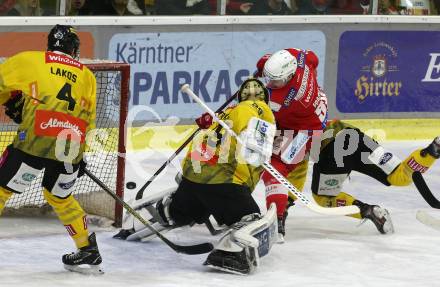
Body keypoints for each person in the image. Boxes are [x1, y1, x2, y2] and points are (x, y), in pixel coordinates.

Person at [118, 78, 278, 275]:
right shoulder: (258, 108)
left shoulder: (223, 114)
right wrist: (249, 136)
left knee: (184, 211)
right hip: (222, 181)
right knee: (249, 217)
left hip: (192, 177)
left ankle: (162, 214)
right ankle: (230, 253)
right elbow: (249, 117)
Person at [0, 25, 102, 274]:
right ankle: (87, 247)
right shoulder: (87, 75)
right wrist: (81, 155)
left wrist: (11, 100)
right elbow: (89, 117)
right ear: (73, 48)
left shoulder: (29, 59)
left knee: (1, 189)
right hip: (71, 145)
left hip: (37, 138)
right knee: (59, 196)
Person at [308, 119, 440, 233]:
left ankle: (368, 211)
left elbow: (295, 165)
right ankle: (432, 151)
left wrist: (289, 199)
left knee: (324, 197)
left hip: (334, 149)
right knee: (400, 176)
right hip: (355, 137)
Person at [254, 48, 328, 241]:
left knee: (273, 170)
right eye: (269, 78)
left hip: (308, 134)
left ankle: (277, 220)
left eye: (275, 81)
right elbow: (313, 56)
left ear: (288, 77)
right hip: (308, 116)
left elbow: (259, 112)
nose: (270, 83)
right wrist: (264, 66)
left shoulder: (284, 99)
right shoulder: (300, 58)